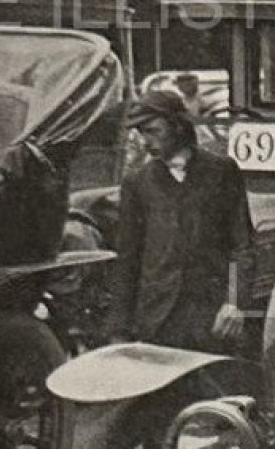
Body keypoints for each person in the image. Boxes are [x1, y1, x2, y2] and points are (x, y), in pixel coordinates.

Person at [106, 89, 252, 352]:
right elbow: (128, 258)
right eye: (141, 133)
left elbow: (242, 245)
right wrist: (119, 330)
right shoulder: (137, 183)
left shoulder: (221, 171)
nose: (146, 141)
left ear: (177, 125)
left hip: (213, 320)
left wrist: (235, 302)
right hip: (157, 322)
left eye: (153, 131)